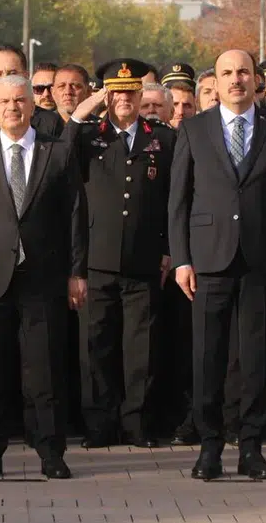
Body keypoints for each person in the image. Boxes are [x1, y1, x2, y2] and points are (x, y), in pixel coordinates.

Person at [169, 49, 266, 482]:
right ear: (217, 81)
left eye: (243, 71)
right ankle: (209, 447)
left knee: (257, 357)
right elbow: (178, 201)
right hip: (209, 259)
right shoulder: (195, 128)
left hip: (261, 259)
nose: (235, 79)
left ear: (256, 79)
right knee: (208, 356)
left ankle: (251, 448)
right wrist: (182, 259)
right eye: (227, 73)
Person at [0, 75, 87, 479]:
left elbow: (75, 215)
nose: (12, 107)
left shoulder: (57, 151)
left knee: (45, 370)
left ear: (32, 106)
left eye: (20, 100)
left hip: (43, 277)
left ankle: (51, 453)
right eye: (5, 102)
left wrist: (76, 272)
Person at [65, 59, 174, 448]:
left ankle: (137, 424)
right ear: (106, 95)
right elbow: (60, 160)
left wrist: (168, 249)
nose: (124, 98)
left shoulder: (161, 138)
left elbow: (173, 199)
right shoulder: (86, 136)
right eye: (116, 92)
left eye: (131, 91)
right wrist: (82, 112)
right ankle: (99, 425)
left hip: (144, 259)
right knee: (96, 347)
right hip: (97, 259)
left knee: (141, 349)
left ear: (141, 95)